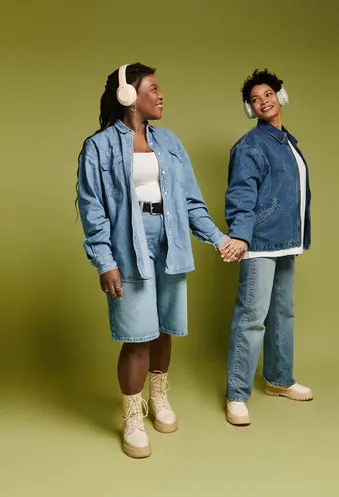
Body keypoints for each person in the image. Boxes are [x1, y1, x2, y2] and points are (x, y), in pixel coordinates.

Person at [77, 63, 238, 458]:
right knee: (137, 335)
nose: (161, 95)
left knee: (164, 327)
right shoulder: (98, 147)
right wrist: (104, 260)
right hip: (127, 244)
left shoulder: (169, 142)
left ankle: (159, 398)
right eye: (154, 88)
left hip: (171, 240)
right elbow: (92, 208)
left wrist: (219, 239)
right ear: (129, 96)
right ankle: (132, 415)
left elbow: (190, 202)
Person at [224, 68, 313, 426]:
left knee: (282, 314)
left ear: (281, 95)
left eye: (268, 94)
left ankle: (278, 380)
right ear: (250, 109)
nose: (263, 101)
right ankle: (236, 393)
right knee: (251, 318)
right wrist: (242, 236)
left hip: (286, 241)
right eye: (255, 100)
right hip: (260, 243)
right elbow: (241, 195)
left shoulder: (287, 141)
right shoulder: (250, 146)